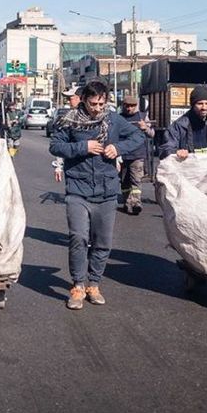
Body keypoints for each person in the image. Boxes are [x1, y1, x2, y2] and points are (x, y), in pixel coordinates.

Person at [49, 81, 144, 310]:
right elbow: (55, 146)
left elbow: (138, 137)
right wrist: (83, 147)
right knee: (78, 238)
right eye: (93, 103)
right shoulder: (69, 120)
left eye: (102, 103)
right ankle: (78, 285)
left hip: (107, 191)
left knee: (103, 242)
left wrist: (118, 148)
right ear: (83, 100)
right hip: (78, 190)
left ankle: (94, 283)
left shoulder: (113, 120)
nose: (98, 108)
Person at [118, 95, 154, 214]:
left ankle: (136, 203)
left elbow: (152, 134)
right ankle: (127, 203)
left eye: (132, 106)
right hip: (123, 155)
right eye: (127, 106)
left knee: (136, 180)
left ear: (136, 105)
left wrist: (145, 128)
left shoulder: (143, 117)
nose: (129, 108)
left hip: (137, 155)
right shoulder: (119, 118)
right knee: (124, 181)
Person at [53, 87, 82, 182]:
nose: (69, 102)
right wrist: (58, 166)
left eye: (71, 99)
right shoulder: (68, 119)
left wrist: (117, 160)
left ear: (80, 98)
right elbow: (61, 143)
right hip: (73, 167)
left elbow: (111, 137)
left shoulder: (97, 116)